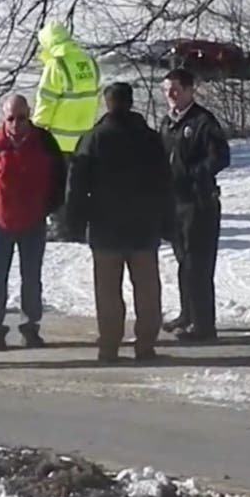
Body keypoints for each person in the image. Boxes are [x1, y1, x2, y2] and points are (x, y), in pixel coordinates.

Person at [66, 82, 172, 362]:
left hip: (105, 227)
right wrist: (167, 221)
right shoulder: (149, 138)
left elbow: (77, 182)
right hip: (144, 225)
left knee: (108, 291)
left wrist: (73, 221)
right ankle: (146, 346)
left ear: (107, 103)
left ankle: (109, 347)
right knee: (148, 289)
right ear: (131, 102)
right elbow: (164, 181)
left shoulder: (94, 138)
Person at [0, 94, 65, 352]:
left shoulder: (45, 141)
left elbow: (60, 177)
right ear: (4, 117)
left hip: (33, 221)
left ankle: (30, 327)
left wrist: (48, 207)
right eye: (11, 118)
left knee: (32, 278)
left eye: (22, 118)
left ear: (30, 115)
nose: (16, 124)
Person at [160, 68, 230, 342]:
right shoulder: (168, 123)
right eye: (167, 91)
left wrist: (194, 175)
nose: (171, 96)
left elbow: (220, 157)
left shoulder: (202, 121)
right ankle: (187, 313)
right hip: (174, 202)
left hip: (199, 203)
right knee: (183, 261)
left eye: (176, 90)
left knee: (198, 264)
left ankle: (203, 325)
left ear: (190, 90)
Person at [31, 20, 100, 240]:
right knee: (80, 187)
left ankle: (62, 230)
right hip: (85, 138)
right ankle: (79, 228)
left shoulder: (56, 65)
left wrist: (36, 131)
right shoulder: (89, 62)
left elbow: (46, 102)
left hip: (58, 140)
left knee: (58, 187)